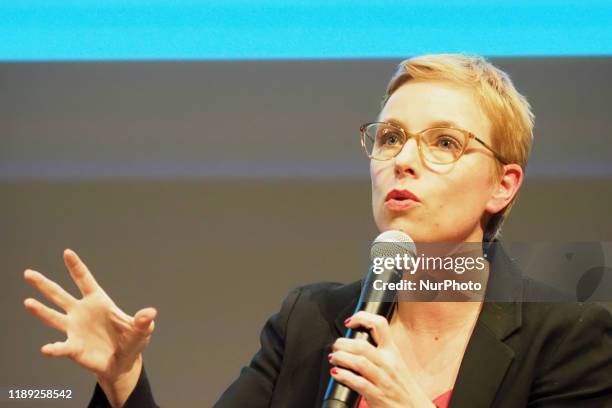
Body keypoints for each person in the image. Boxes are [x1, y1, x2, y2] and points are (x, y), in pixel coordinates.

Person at [23, 54, 612, 407]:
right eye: (389, 137)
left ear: (503, 185)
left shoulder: (570, 335)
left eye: (444, 143)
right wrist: (124, 379)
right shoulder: (310, 319)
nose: (402, 161)